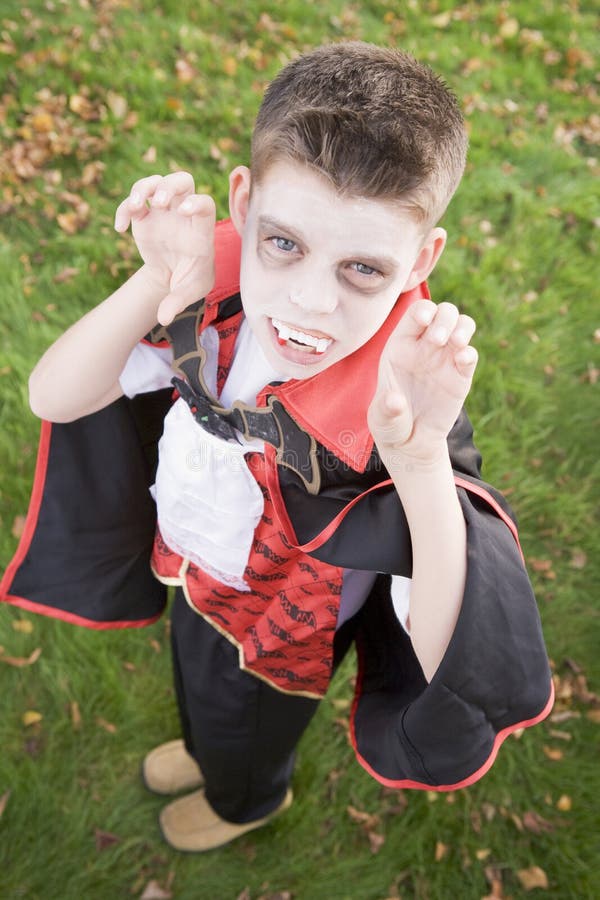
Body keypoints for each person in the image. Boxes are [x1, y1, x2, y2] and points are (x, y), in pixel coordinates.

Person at [1, 42, 553, 852]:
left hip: (282, 632)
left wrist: (424, 459)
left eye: (363, 268)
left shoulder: (400, 403)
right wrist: (159, 278)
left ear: (420, 263)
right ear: (243, 202)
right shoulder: (217, 301)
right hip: (193, 567)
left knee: (245, 726)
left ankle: (245, 800)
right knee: (194, 678)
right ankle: (206, 753)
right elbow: (54, 395)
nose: (309, 303)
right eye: (284, 243)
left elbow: (450, 652)